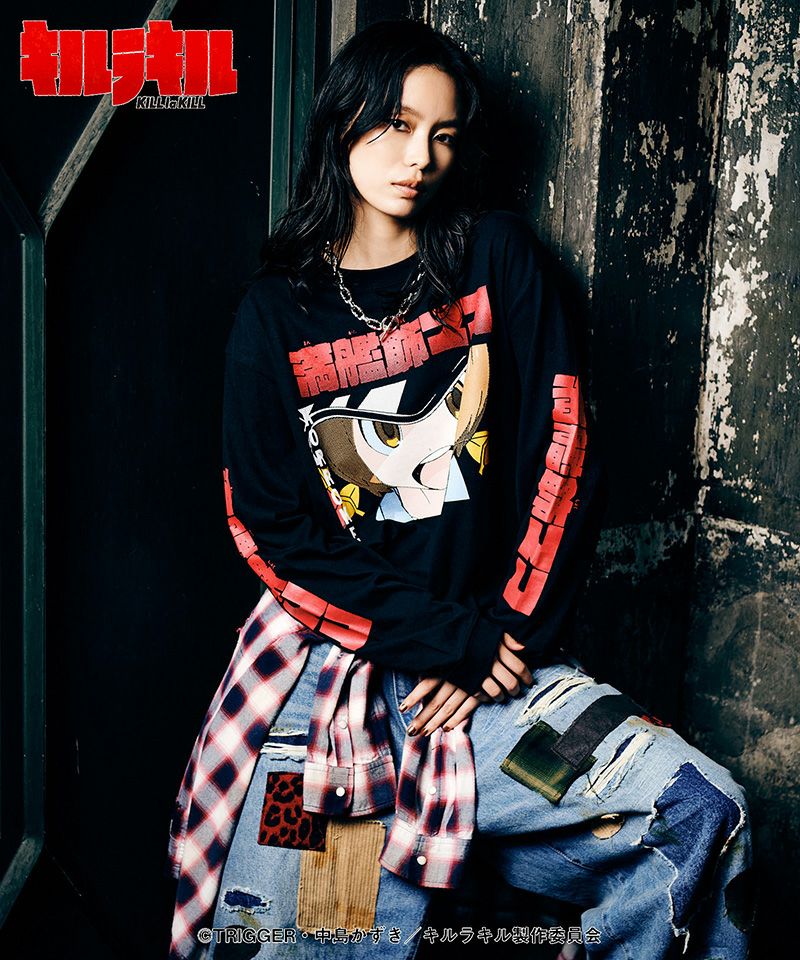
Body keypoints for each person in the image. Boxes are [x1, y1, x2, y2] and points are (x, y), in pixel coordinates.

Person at [166, 19, 753, 960]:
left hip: (502, 674)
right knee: (294, 936)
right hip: (333, 694)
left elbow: (566, 451)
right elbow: (272, 530)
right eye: (397, 125)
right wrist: (451, 641)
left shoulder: (496, 256)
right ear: (344, 122)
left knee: (692, 812)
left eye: (441, 135)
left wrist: (501, 636)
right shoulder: (274, 315)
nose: (420, 158)